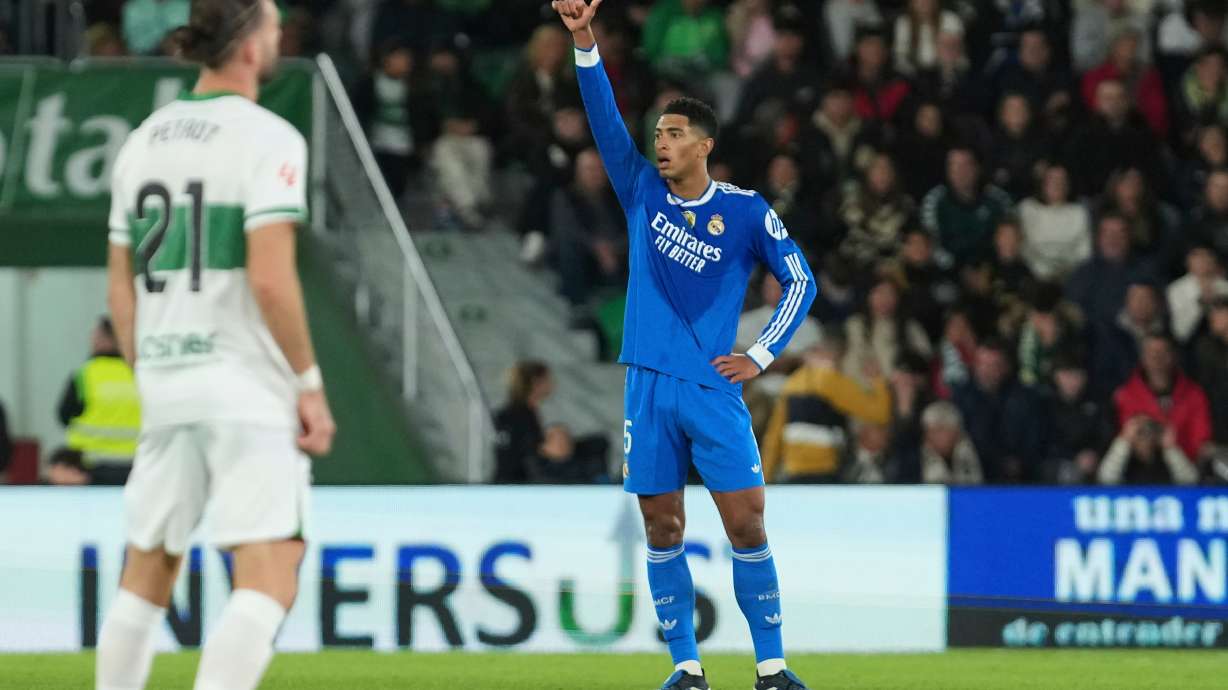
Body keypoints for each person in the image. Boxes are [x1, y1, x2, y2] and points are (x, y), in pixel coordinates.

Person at [554, 3, 817, 689]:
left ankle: (772, 668)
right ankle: (687, 670)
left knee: (748, 523)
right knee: (662, 526)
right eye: (658, 134)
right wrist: (583, 41)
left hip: (712, 387)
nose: (659, 143)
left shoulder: (746, 210)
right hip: (647, 383)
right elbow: (604, 116)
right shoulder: (641, 190)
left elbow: (799, 281)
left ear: (703, 144)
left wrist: (759, 355)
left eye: (673, 134)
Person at [96, 4, 337, 690]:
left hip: (166, 377)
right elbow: (269, 277)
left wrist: (155, 373)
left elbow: (120, 289)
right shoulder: (270, 138)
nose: (279, 34)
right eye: (273, 24)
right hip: (245, 384)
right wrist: (309, 382)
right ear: (251, 44)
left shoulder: (141, 140)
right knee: (271, 569)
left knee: (147, 569)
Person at [760, 333, 892, 484]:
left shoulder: (792, 384)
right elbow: (879, 414)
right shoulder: (830, 381)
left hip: (793, 472)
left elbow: (774, 436)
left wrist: (766, 477)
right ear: (837, 355)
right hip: (824, 473)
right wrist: (878, 380)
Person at [57, 317, 140, 486]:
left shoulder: (84, 375)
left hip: (89, 467)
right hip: (137, 465)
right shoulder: (139, 373)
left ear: (103, 339)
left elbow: (63, 416)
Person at [1113, 333, 1213, 463]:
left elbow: (1200, 442)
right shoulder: (1125, 395)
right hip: (1136, 475)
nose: (1157, 358)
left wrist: (1172, 448)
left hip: (1186, 472)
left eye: (1163, 352)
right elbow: (1127, 443)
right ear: (1142, 357)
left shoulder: (1194, 394)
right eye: (1151, 352)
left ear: (1173, 356)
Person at [550, 147, 627, 307]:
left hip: (615, 253)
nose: (595, 174)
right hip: (585, 255)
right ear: (578, 172)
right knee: (568, 247)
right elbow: (568, 229)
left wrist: (613, 248)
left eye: (599, 170)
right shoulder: (565, 196)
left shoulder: (615, 197)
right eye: (589, 169)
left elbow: (631, 228)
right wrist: (597, 249)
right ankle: (578, 304)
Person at [920, 146, 1013, 269]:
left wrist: (988, 269)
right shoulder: (935, 201)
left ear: (977, 168)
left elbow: (1010, 241)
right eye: (954, 166)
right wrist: (961, 270)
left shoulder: (998, 199)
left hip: (993, 270)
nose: (960, 172)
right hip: (949, 272)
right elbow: (931, 244)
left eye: (966, 165)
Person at [1046, 351, 1114, 484]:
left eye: (1077, 375)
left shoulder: (1098, 403)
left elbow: (1106, 434)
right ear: (1056, 376)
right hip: (1058, 462)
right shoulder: (1044, 405)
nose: (1072, 381)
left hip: (1095, 460)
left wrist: (1095, 454)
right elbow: (1044, 442)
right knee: (1067, 472)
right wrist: (1074, 457)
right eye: (1066, 375)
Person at [1018, 164, 1091, 282]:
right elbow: (1023, 248)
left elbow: (1084, 253)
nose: (1057, 184)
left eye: (1062, 180)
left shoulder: (1079, 212)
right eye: (1052, 180)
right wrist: (1042, 272)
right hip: (1033, 276)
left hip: (1071, 277)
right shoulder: (1027, 208)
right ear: (1043, 183)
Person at [493, 361, 552, 484]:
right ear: (536, 382)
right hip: (516, 483)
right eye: (547, 379)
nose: (552, 384)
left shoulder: (529, 411)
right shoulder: (513, 415)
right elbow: (518, 453)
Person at [1098, 415, 1201, 485]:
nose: (1145, 437)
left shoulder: (1164, 457)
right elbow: (1106, 479)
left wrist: (1171, 448)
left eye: (1150, 430)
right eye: (1140, 431)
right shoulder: (1126, 458)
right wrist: (1123, 441)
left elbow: (1190, 481)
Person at [1168, 244, 1228, 343]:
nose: (1203, 261)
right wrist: (1201, 302)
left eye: (1207, 257)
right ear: (1188, 262)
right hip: (1191, 342)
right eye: (1198, 257)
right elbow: (1180, 331)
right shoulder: (1176, 290)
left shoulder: (1225, 286)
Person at [918, 400, 983, 484]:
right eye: (934, 430)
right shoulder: (914, 462)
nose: (939, 437)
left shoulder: (981, 454)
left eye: (944, 429)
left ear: (957, 433)